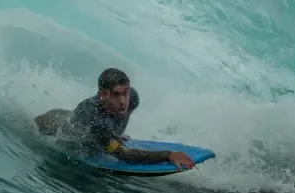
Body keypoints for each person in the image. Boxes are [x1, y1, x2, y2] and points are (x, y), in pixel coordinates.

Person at [34, 68, 196, 170]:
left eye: (125, 92)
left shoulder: (132, 98)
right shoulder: (93, 118)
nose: (123, 101)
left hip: (85, 125)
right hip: (51, 124)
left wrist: (115, 135)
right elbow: (124, 156)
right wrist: (169, 155)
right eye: (115, 95)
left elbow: (117, 119)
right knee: (31, 125)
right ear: (102, 95)